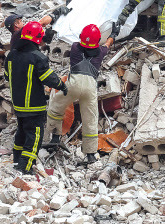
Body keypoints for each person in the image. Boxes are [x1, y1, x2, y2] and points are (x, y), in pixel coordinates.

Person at [45, 23, 118, 163]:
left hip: (73, 85)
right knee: (90, 119)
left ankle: (55, 138)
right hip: (90, 88)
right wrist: (113, 35)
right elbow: (107, 44)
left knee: (56, 105)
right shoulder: (101, 51)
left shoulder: (75, 48)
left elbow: (83, 42)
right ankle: (90, 154)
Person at [4, 21, 67, 173]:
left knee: (22, 132)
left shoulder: (11, 55)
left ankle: (17, 160)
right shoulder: (37, 57)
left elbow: (7, 77)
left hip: (18, 104)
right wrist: (61, 85)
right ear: (38, 39)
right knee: (34, 136)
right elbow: (48, 78)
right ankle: (24, 167)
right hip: (34, 105)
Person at [4, 5, 72, 48]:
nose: (23, 23)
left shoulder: (14, 39)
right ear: (16, 24)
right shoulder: (21, 33)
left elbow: (37, 43)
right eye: (21, 21)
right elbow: (41, 23)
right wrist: (56, 13)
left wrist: (44, 39)